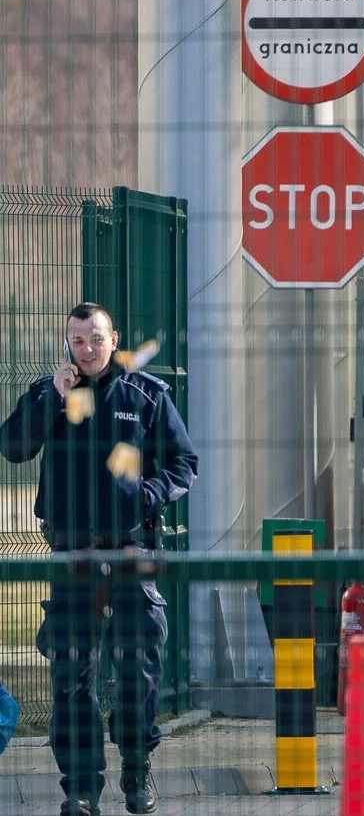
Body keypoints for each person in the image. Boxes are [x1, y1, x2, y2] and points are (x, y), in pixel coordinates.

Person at [0, 302, 198, 816]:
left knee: (138, 670)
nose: (86, 350)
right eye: (77, 340)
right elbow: (13, 448)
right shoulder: (52, 393)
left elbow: (184, 461)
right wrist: (51, 398)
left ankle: (137, 769)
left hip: (132, 551)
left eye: (95, 339)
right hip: (71, 555)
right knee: (72, 676)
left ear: (113, 340)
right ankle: (81, 789)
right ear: (68, 343)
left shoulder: (146, 395)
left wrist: (150, 494)